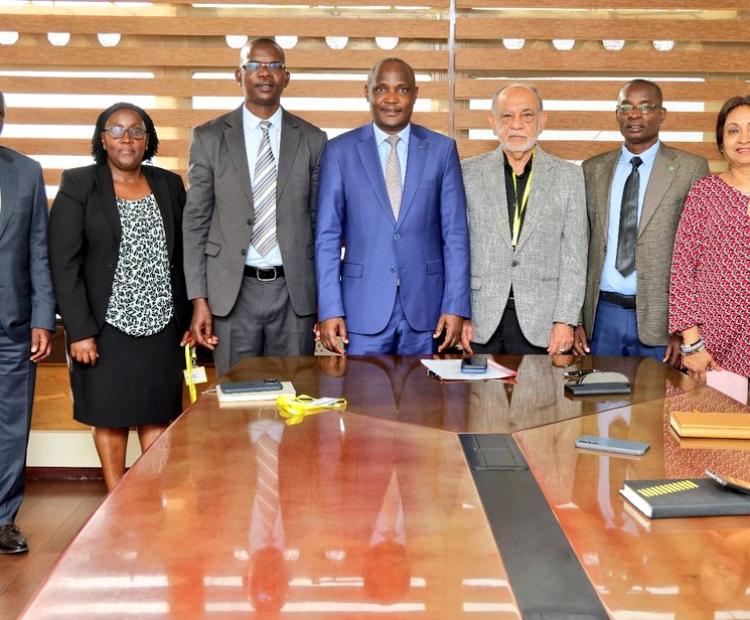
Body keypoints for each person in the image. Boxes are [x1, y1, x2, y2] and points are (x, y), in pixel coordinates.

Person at [48, 102, 191, 491]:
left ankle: (148, 499)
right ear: (102, 139)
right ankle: (115, 501)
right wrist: (79, 331)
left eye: (136, 130)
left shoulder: (169, 184)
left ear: (149, 140)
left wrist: (192, 313)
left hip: (162, 324)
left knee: (157, 414)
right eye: (116, 130)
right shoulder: (79, 184)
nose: (126, 138)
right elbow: (64, 263)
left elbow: (184, 256)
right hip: (103, 326)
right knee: (110, 416)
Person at [183, 37, 327, 376]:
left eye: (275, 66)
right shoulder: (208, 137)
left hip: (294, 295)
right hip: (231, 294)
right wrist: (199, 299)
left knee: (298, 400)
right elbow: (195, 222)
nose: (265, 73)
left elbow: (322, 224)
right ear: (239, 75)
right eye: (255, 65)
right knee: (235, 405)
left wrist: (326, 301)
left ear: (286, 78)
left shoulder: (312, 139)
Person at [315, 58, 470, 355]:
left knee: (426, 401)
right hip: (361, 309)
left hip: (427, 310)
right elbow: (327, 238)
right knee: (363, 400)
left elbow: (456, 236)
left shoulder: (442, 150)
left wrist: (456, 305)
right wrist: (330, 308)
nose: (391, 98)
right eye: (381, 89)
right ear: (367, 92)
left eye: (401, 89)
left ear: (415, 94)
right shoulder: (339, 152)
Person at [574, 79, 709, 363]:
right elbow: (578, 248)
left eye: (645, 107)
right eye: (626, 107)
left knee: (654, 406)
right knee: (597, 404)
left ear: (662, 114)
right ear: (617, 114)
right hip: (602, 316)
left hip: (661, 319)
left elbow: (699, 256)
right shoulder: (593, 169)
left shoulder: (690, 168)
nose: (634, 114)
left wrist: (683, 329)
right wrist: (576, 319)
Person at [460, 83, 587, 355]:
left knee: (539, 398)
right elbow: (456, 249)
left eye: (527, 115)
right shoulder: (466, 174)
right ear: (492, 122)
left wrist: (565, 320)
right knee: (480, 397)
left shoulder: (569, 177)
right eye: (507, 116)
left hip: (543, 322)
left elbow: (575, 257)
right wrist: (460, 312)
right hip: (481, 319)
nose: (516, 124)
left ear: (542, 121)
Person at [0, 91, 55, 554]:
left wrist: (43, 318)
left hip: (12, 325)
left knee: (12, 425)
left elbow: (39, 250)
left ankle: (3, 519)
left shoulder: (26, 171)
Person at [669, 95, 750, 382]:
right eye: (733, 130)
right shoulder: (704, 193)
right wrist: (693, 345)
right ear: (721, 142)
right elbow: (681, 271)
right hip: (712, 352)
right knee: (713, 426)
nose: (743, 138)